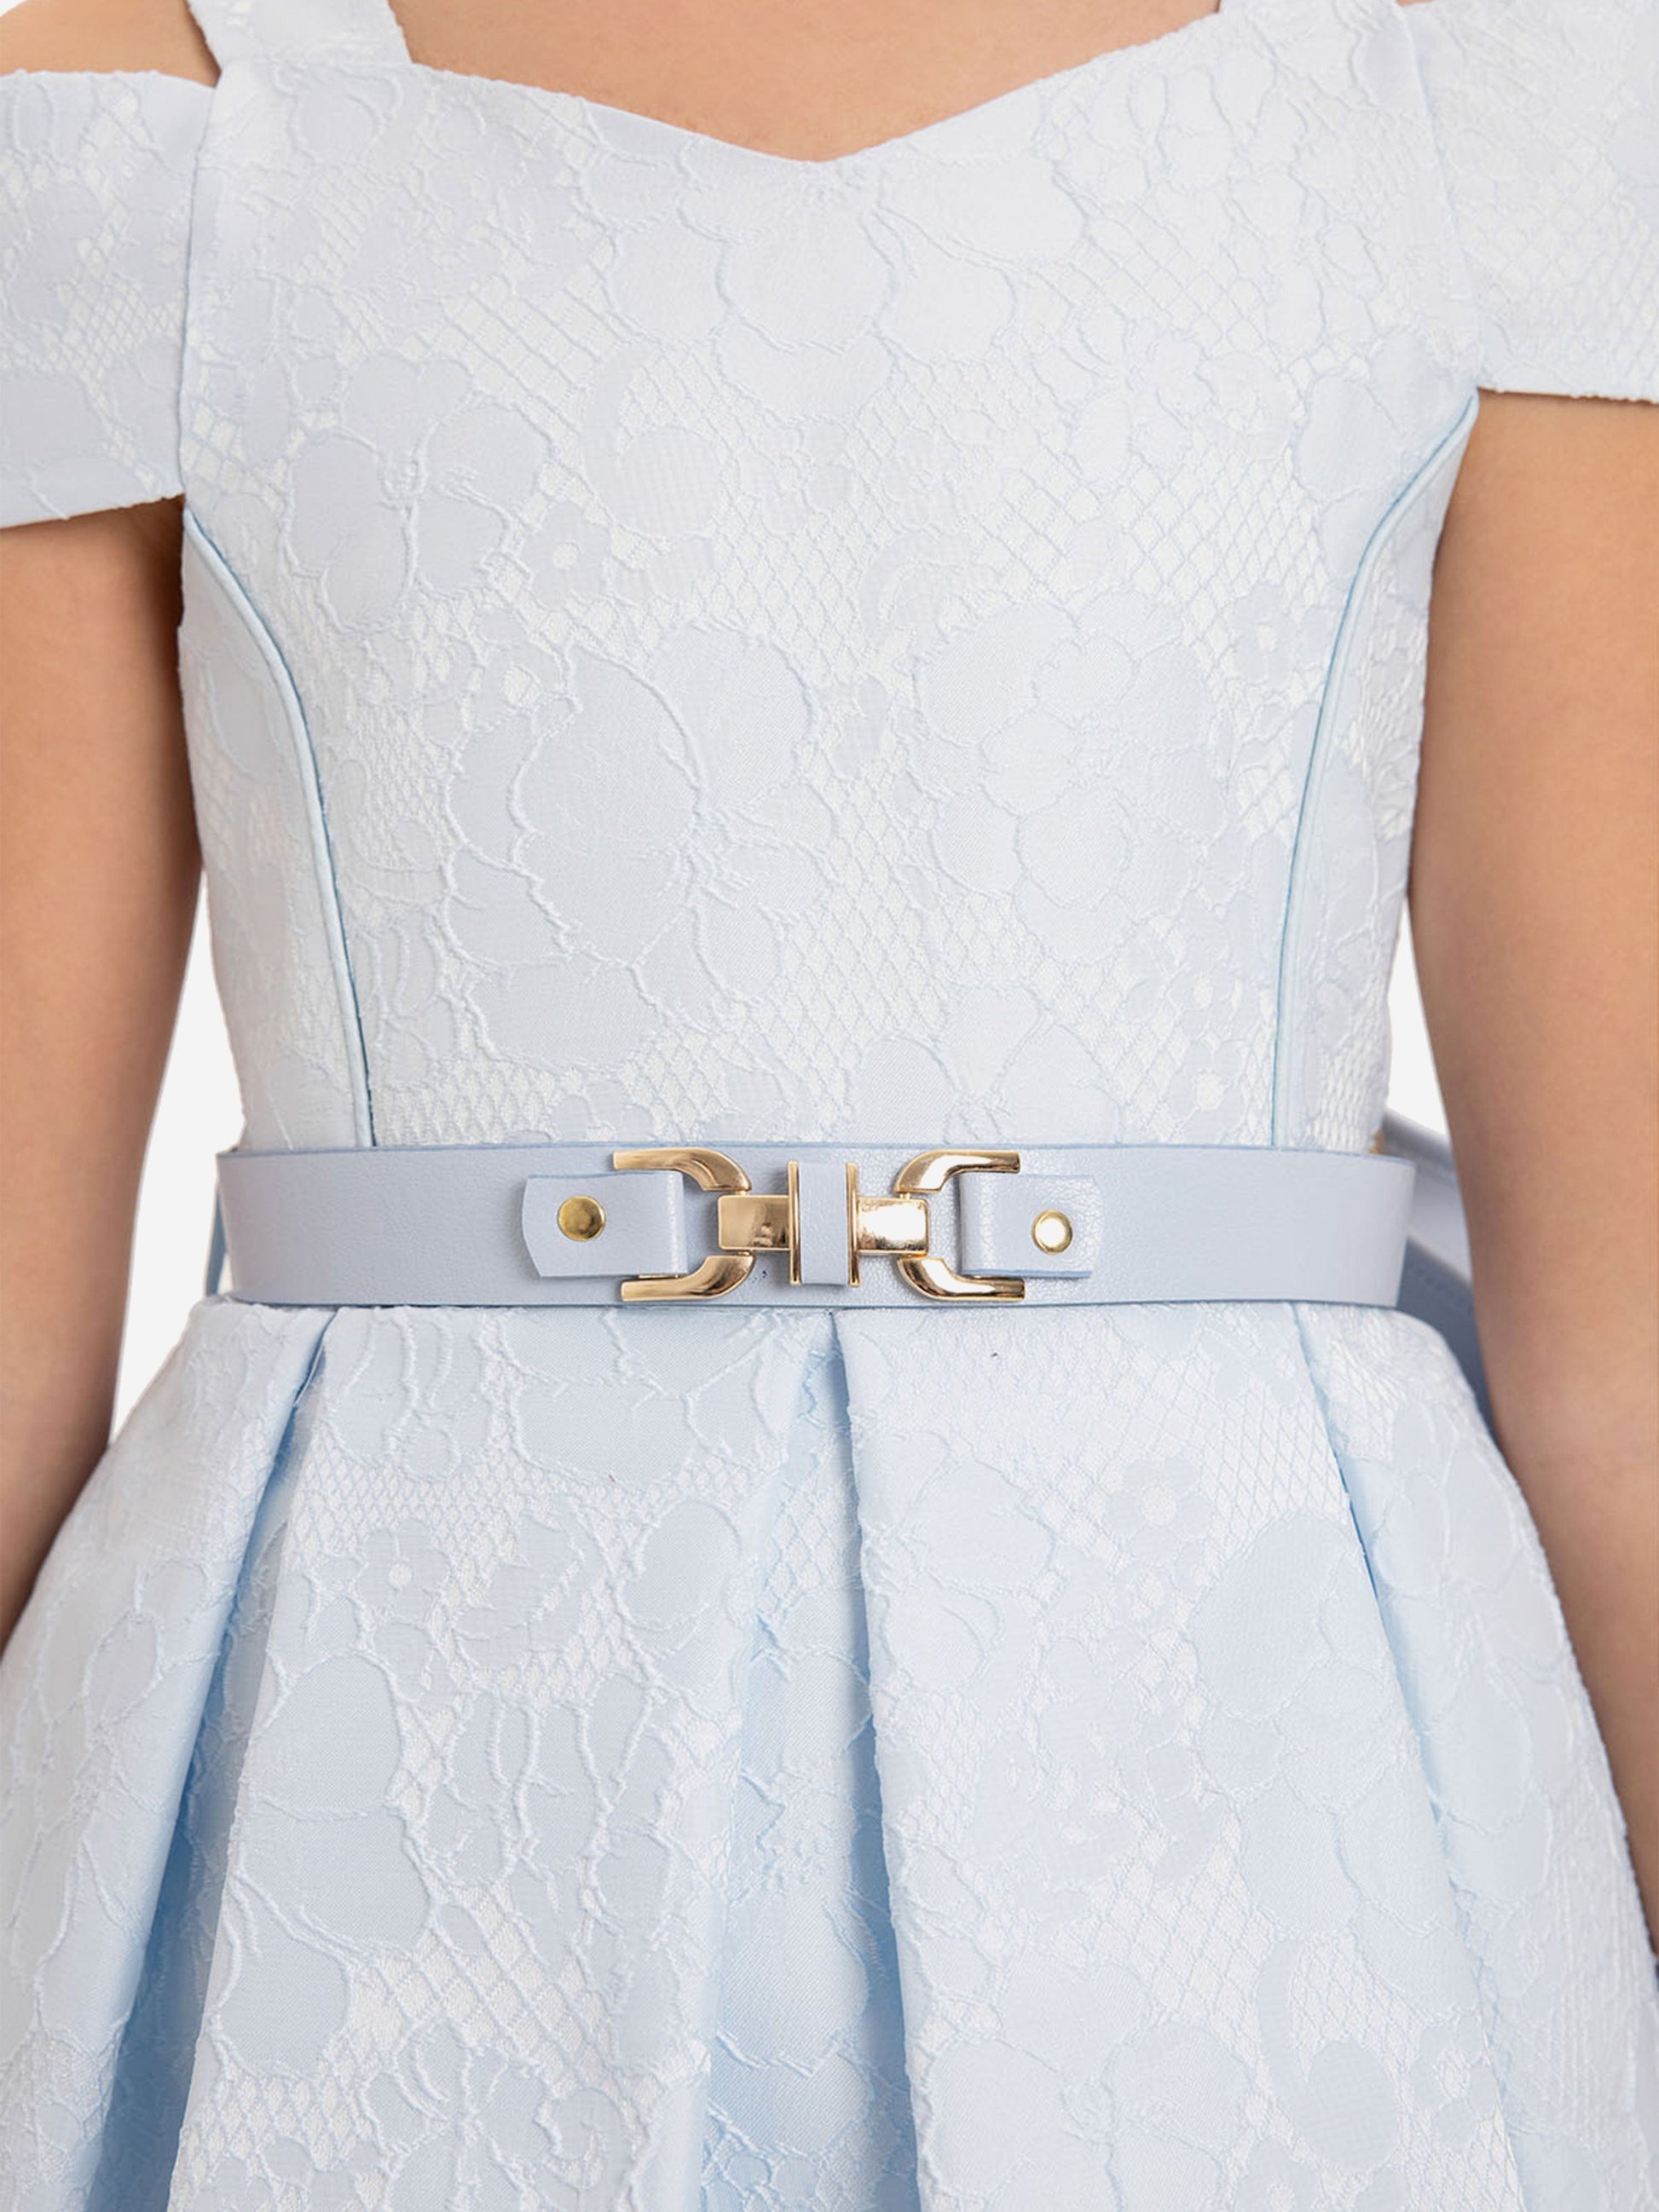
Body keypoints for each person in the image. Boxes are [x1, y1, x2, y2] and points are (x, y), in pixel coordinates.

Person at [1, 0, 1654, 2203]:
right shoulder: (147, 82)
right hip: (383, 1798)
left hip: (1256, 1796)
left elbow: (1629, 1350)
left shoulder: (1491, 77)